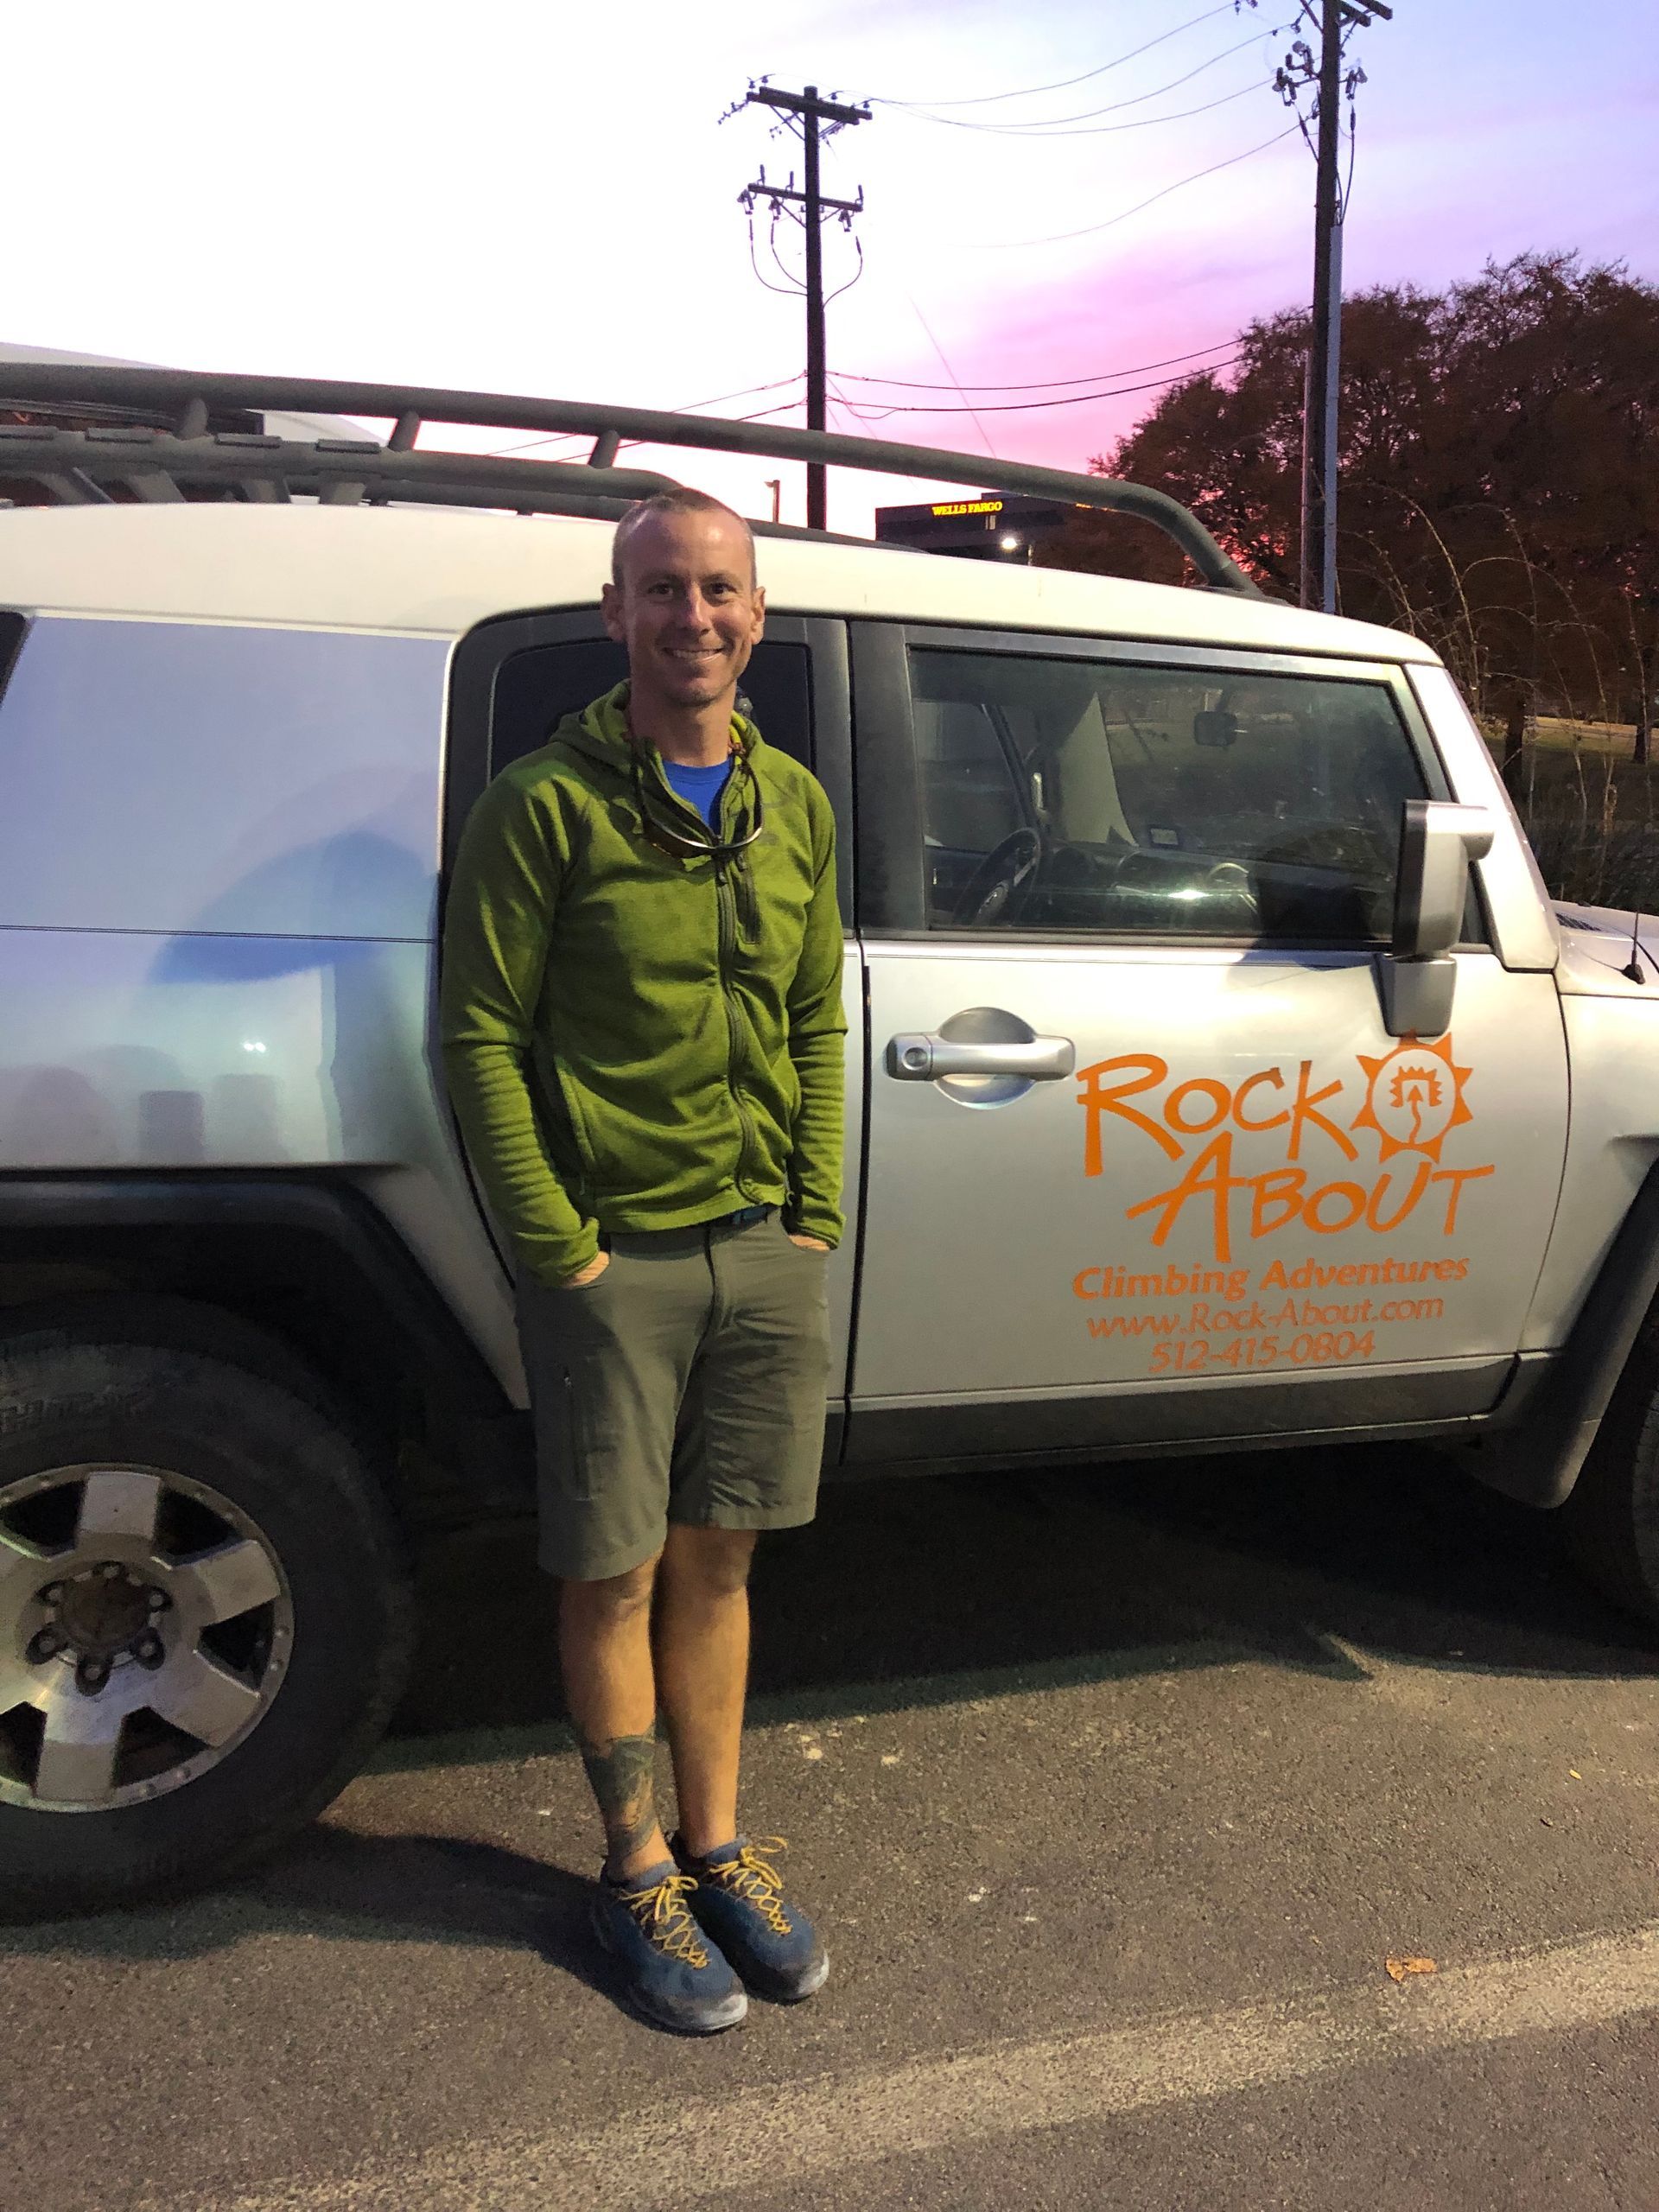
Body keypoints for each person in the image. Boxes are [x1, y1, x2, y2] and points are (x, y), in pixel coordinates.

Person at [440, 486, 845, 2034]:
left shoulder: (791, 801)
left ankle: (718, 1845)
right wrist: (560, 1247)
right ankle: (634, 1872)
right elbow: (480, 1032)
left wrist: (813, 1208)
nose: (695, 617)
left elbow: (815, 1015)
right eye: (662, 591)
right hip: (618, 1263)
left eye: (720, 590)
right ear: (615, 614)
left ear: (758, 615)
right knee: (609, 1570)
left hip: (764, 1247)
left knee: (722, 1554)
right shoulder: (543, 807)